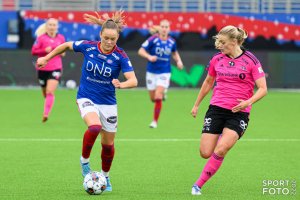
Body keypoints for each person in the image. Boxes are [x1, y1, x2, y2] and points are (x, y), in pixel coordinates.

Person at [36, 10, 138, 192]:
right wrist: (47, 57)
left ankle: (105, 177)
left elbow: (134, 80)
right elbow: (66, 45)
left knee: (108, 145)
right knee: (94, 127)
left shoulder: (120, 55)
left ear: (117, 38)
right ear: (100, 35)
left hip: (108, 103)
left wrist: (121, 84)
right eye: (106, 38)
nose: (109, 42)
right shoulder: (88, 46)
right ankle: (84, 162)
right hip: (86, 97)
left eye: (113, 39)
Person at [190, 25, 267, 195]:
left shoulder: (252, 61)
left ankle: (198, 185)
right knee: (205, 153)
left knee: (221, 149)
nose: (219, 45)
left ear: (234, 42)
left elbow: (263, 89)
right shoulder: (217, 59)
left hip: (239, 113)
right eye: (218, 41)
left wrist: (248, 102)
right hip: (216, 109)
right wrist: (196, 104)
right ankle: (220, 143)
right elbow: (208, 82)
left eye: (223, 42)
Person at [138, 20, 184, 128]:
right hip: (151, 72)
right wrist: (149, 56)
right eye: (162, 26)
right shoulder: (153, 39)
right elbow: (141, 50)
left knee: (158, 96)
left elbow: (174, 52)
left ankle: (154, 121)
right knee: (153, 98)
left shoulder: (172, 41)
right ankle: (162, 94)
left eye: (166, 27)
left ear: (169, 29)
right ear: (160, 28)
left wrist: (179, 61)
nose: (164, 28)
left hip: (164, 72)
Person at [31, 18, 66, 123]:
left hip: (56, 68)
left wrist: (60, 52)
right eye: (50, 25)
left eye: (54, 25)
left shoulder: (61, 38)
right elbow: (33, 51)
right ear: (46, 26)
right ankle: (48, 103)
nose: (52, 27)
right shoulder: (41, 38)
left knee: (50, 91)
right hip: (42, 68)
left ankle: (46, 114)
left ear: (57, 27)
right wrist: (44, 50)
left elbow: (63, 53)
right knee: (45, 93)